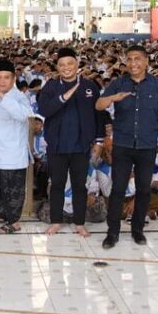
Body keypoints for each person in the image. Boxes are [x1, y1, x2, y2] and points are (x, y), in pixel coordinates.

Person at [95, 44, 158, 248]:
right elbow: (99, 104)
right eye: (129, 59)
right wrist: (113, 98)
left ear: (146, 61)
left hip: (147, 145)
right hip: (122, 144)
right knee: (118, 188)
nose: (133, 63)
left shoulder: (157, 85)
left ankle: (138, 230)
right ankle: (112, 233)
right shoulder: (118, 83)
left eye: (137, 59)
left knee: (144, 189)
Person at [36, 46, 105, 237]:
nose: (66, 67)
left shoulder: (90, 87)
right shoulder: (51, 86)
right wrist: (64, 96)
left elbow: (98, 115)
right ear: (57, 67)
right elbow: (44, 110)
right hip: (57, 146)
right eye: (62, 64)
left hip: (81, 146)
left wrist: (99, 141)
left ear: (77, 64)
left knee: (79, 186)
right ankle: (56, 221)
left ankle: (79, 223)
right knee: (57, 184)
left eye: (70, 63)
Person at [0, 58, 34, 234]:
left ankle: (14, 222)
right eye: (0, 77)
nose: (2, 81)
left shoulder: (20, 97)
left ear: (13, 79)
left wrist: (5, 98)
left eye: (6, 77)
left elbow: (23, 115)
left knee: (13, 189)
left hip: (12, 153)